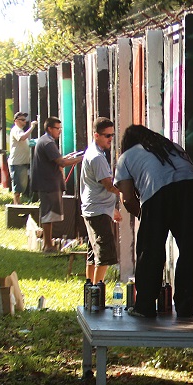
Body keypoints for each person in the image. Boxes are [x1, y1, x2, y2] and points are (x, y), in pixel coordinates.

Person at [113, 124, 193, 318]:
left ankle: (144, 306)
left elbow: (127, 198)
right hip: (191, 189)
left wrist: (146, 218)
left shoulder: (126, 157)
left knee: (150, 249)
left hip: (158, 192)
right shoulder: (172, 147)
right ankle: (186, 306)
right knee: (189, 249)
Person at [29, 117, 82, 253]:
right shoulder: (47, 143)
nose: (59, 131)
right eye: (57, 128)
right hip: (48, 184)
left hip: (49, 183)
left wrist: (69, 157)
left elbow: (58, 160)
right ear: (49, 129)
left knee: (50, 215)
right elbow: (61, 163)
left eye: (60, 128)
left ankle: (49, 243)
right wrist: (82, 158)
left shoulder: (46, 141)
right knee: (49, 214)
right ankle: (48, 245)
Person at [80, 118, 122, 283]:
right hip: (97, 211)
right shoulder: (97, 157)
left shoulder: (94, 152)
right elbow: (109, 186)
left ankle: (90, 290)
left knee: (93, 254)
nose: (110, 139)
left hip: (96, 209)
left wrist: (112, 210)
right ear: (96, 135)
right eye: (107, 136)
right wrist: (130, 192)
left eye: (112, 135)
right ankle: (97, 292)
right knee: (104, 255)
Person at [9, 112, 37, 205]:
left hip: (23, 162)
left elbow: (26, 143)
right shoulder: (16, 130)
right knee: (18, 186)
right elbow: (22, 138)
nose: (25, 122)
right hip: (17, 162)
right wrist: (32, 127)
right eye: (22, 120)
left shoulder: (20, 130)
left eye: (25, 120)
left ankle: (18, 204)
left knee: (22, 185)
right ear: (16, 121)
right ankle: (16, 204)